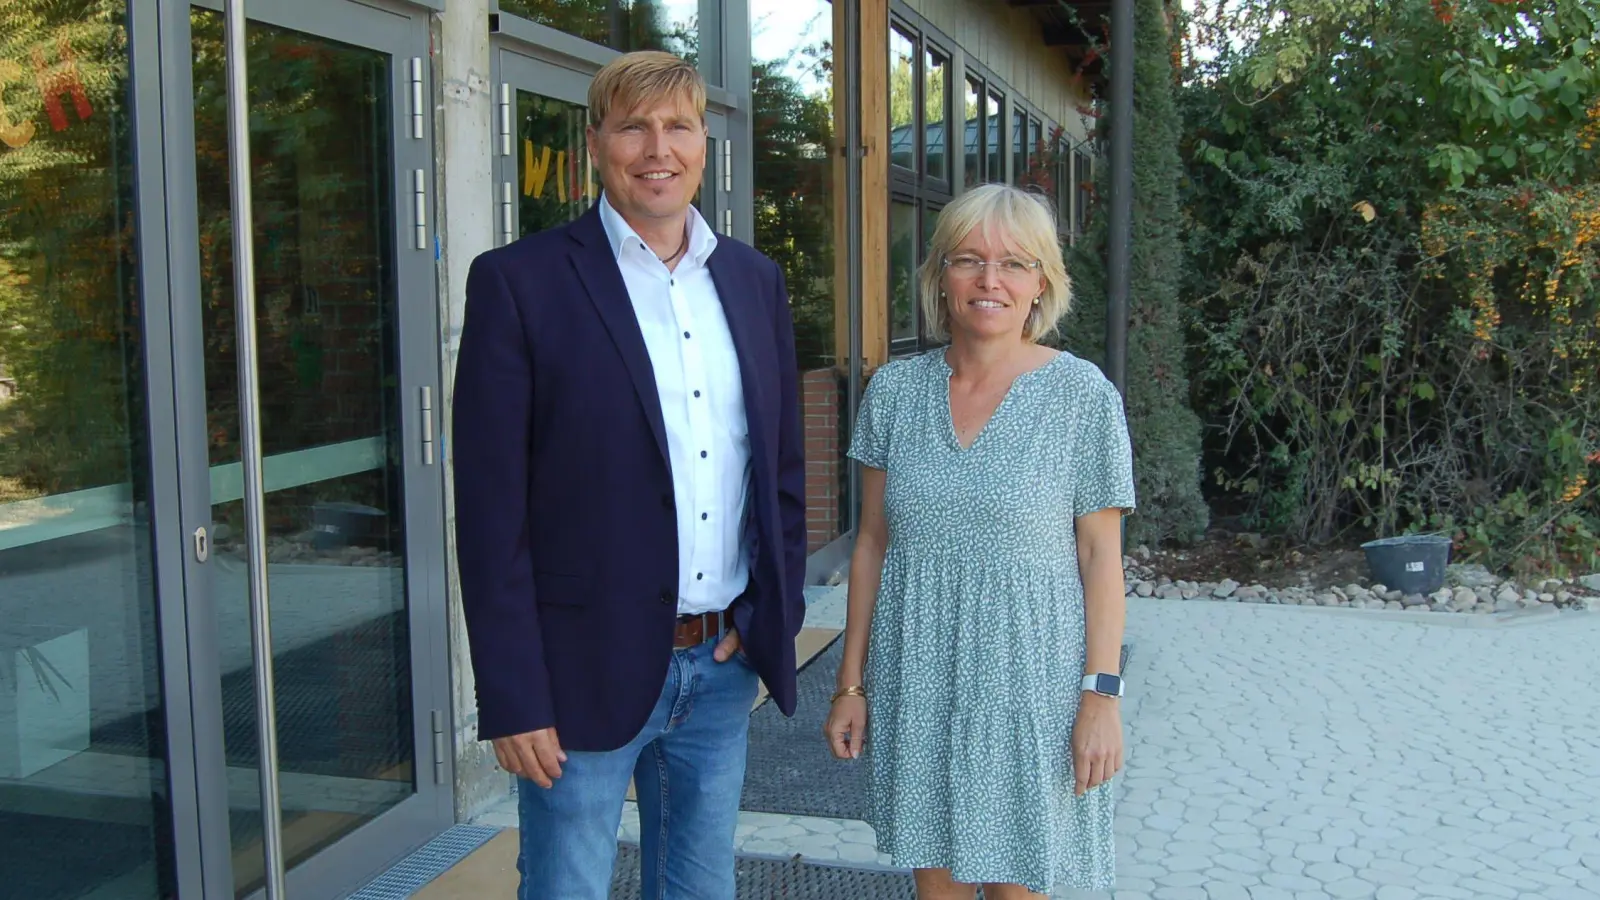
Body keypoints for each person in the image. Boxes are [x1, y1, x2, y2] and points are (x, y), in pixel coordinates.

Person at [451, 50, 808, 900]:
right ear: (595, 144)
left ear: (703, 145)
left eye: (678, 125)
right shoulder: (520, 282)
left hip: (719, 671)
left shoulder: (754, 282)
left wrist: (771, 619)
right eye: (633, 127)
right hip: (575, 677)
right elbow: (491, 512)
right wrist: (511, 694)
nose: (658, 147)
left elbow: (782, 473)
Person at [823, 183, 1134, 899]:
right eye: (968, 260)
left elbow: (1101, 561)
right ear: (940, 278)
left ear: (1042, 285)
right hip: (920, 681)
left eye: (1015, 264)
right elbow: (871, 544)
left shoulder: (1083, 398)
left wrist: (1102, 698)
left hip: (1034, 690)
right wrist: (851, 683)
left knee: (1019, 886)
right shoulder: (895, 394)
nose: (990, 280)